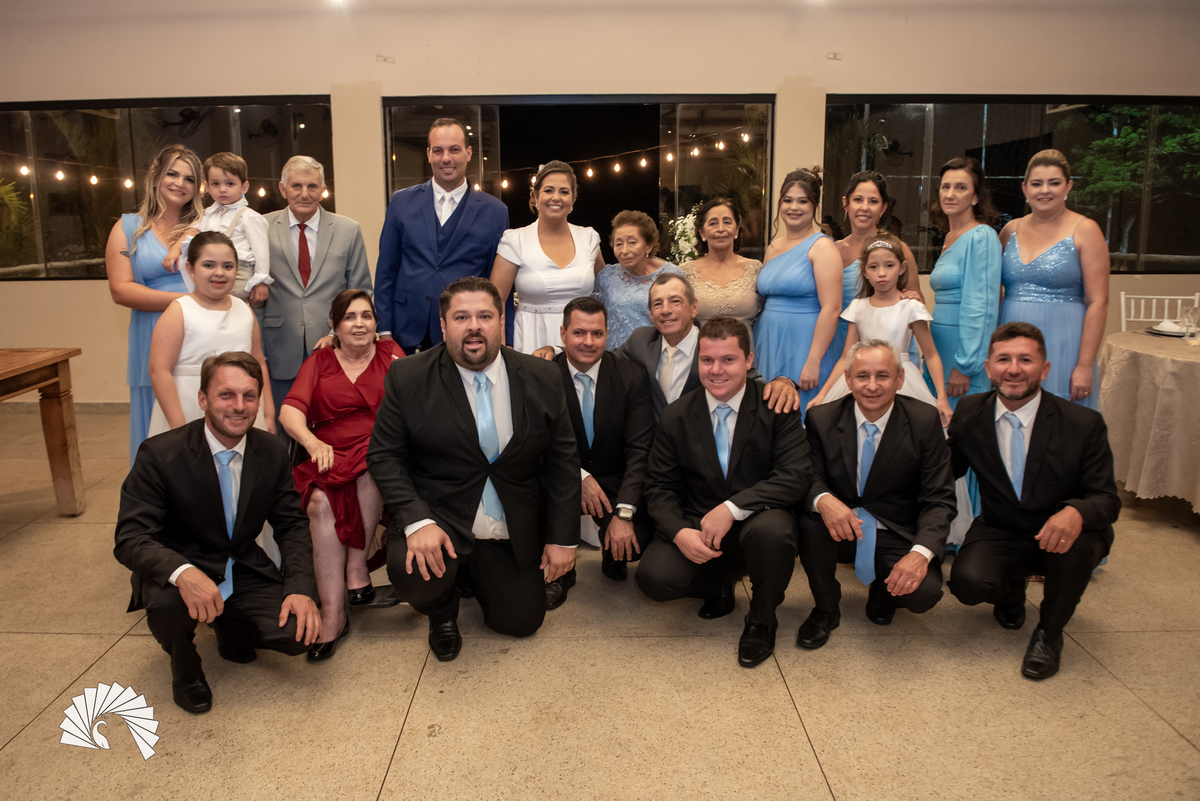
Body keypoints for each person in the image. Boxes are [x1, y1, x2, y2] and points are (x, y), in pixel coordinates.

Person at [366, 276, 580, 662]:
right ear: (444, 325)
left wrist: (563, 538)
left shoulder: (543, 376)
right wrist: (417, 521)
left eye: (484, 316)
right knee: (413, 573)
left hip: (509, 522)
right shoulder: (408, 376)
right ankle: (441, 610)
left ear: (502, 320)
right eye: (461, 317)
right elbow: (384, 455)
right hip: (441, 515)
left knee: (522, 622)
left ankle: (474, 575)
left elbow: (563, 461)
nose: (474, 326)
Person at [114, 352, 321, 714]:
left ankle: (228, 625)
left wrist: (301, 588)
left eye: (249, 396)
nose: (239, 406)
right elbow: (131, 536)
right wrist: (183, 573)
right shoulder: (160, 454)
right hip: (180, 563)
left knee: (297, 634)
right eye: (226, 395)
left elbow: (291, 524)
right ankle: (185, 668)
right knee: (167, 607)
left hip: (240, 562)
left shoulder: (272, 451)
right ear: (202, 399)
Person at [947, 323, 1120, 679]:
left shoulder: (1083, 423)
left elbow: (1107, 499)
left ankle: (1049, 634)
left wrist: (1076, 512)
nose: (1014, 369)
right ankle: (1011, 592)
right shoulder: (970, 411)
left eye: (1025, 359)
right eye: (1003, 359)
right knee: (967, 583)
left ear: (1045, 368)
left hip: (1064, 532)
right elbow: (948, 468)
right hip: (1001, 527)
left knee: (1077, 548)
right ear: (989, 367)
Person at [638, 316, 811, 669]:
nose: (716, 370)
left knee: (774, 533)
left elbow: (795, 476)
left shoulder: (776, 406)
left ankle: (762, 619)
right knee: (654, 578)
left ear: (749, 360)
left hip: (758, 520)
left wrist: (732, 508)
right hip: (699, 522)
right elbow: (659, 486)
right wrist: (679, 532)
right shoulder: (677, 414)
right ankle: (719, 578)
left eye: (728, 359)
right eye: (707, 360)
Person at [795, 340, 956, 649]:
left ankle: (884, 590)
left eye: (882, 375)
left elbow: (940, 497)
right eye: (862, 376)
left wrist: (919, 555)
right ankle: (826, 608)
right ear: (847, 379)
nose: (871, 386)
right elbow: (808, 474)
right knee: (809, 523)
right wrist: (823, 499)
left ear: (899, 378)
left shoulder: (924, 421)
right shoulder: (821, 418)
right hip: (842, 525)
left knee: (923, 594)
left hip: (896, 527)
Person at [279, 290, 404, 661]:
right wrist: (312, 442)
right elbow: (290, 412)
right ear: (333, 325)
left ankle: (356, 568)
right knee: (319, 502)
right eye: (350, 317)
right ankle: (333, 613)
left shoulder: (390, 355)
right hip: (328, 450)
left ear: (376, 323)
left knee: (372, 466)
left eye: (367, 316)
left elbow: (416, 398)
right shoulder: (319, 360)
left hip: (379, 446)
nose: (359, 324)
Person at [549, 296, 656, 605]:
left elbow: (640, 449)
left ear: (607, 334)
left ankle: (614, 550)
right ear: (563, 333)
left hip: (614, 479)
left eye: (597, 333)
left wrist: (624, 513)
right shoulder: (543, 376)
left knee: (637, 540)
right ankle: (561, 571)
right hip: (561, 476)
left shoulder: (631, 376)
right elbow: (538, 445)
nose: (589, 341)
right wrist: (579, 476)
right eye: (579, 332)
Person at [374, 118, 510, 351]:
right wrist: (384, 330)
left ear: (468, 153)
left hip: (467, 334)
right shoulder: (401, 203)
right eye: (438, 150)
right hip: (405, 332)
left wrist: (503, 338)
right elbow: (386, 271)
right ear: (429, 154)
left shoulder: (495, 211)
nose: (446, 158)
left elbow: (498, 285)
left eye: (454, 150)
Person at [104, 144, 203, 464]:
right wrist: (188, 301)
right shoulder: (127, 228)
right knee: (154, 431)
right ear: (155, 176)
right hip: (151, 332)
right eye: (172, 174)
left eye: (189, 178)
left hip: (198, 332)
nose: (180, 183)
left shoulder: (203, 227)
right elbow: (121, 291)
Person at [261, 155, 373, 425]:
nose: (304, 194)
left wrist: (335, 334)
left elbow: (361, 292)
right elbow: (254, 292)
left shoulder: (348, 230)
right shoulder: (261, 227)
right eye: (296, 186)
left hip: (332, 347)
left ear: (323, 189)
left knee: (330, 425)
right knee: (282, 428)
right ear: (283, 188)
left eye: (312, 186)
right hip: (278, 348)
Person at [999, 149, 1110, 409]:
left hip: (1063, 343)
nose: (1045, 190)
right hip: (1011, 336)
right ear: (1025, 188)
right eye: (1037, 183)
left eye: (1054, 183)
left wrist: (1084, 365)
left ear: (1068, 187)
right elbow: (993, 293)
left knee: (1059, 417)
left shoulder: (1086, 230)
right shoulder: (1009, 231)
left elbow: (1098, 301)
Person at [809, 233, 954, 428]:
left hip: (901, 380)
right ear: (864, 271)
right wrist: (823, 394)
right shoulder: (857, 307)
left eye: (889, 265)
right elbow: (845, 358)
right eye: (873, 267)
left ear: (902, 268)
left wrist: (941, 397)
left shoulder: (911, 307)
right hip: (864, 376)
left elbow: (931, 355)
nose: (882, 273)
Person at [147, 232, 275, 437]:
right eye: (208, 265)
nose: (219, 273)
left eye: (228, 266)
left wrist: (268, 413)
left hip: (240, 407)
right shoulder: (179, 311)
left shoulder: (245, 310)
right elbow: (159, 370)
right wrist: (179, 427)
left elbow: (259, 363)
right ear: (190, 268)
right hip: (188, 408)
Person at [753, 168, 843, 412]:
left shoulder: (822, 247)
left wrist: (813, 361)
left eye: (803, 201)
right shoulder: (773, 246)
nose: (794, 207)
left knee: (798, 410)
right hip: (769, 338)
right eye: (788, 200)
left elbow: (832, 308)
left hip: (805, 341)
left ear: (814, 206)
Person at [490, 160, 604, 353]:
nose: (556, 197)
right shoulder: (515, 240)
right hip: (531, 340)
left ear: (573, 199)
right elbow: (495, 301)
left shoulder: (589, 238)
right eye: (548, 190)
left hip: (583, 341)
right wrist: (500, 351)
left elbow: (607, 288)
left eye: (564, 192)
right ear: (536, 196)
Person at [925, 157, 1002, 405]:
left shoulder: (982, 236)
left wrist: (966, 365)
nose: (950, 194)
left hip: (962, 353)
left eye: (961, 187)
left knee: (962, 421)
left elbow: (981, 306)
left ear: (975, 196)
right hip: (939, 345)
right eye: (945, 187)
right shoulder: (950, 237)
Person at [833, 171, 923, 365]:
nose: (864, 207)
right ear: (846, 203)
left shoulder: (897, 250)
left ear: (883, 208)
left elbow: (916, 301)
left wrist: (913, 299)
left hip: (883, 344)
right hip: (838, 340)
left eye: (873, 201)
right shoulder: (832, 250)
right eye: (858, 199)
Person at [162, 152, 272, 305]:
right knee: (209, 306)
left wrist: (261, 281)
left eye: (230, 184)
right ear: (207, 187)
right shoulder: (208, 214)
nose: (222, 189)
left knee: (232, 306)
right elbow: (192, 231)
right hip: (212, 268)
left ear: (244, 187)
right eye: (215, 184)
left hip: (239, 270)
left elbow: (261, 252)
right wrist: (175, 250)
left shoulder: (249, 217)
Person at [592, 209, 682, 348]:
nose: (624, 250)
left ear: (648, 246)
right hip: (615, 355)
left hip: (656, 354)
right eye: (619, 244)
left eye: (632, 242)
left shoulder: (672, 276)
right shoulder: (606, 276)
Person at [678, 198, 764, 331]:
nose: (720, 229)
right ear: (702, 232)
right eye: (713, 223)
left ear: (736, 229)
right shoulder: (685, 272)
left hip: (747, 343)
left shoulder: (755, 268)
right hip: (701, 343)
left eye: (727, 222)